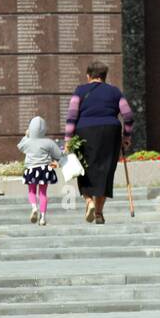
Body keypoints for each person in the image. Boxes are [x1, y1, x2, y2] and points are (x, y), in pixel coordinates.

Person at [65, 60, 135, 224]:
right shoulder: (114, 92)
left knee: (83, 169)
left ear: (88, 76)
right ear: (104, 77)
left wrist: (68, 140)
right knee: (105, 171)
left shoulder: (80, 91)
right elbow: (128, 115)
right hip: (110, 132)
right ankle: (98, 212)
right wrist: (126, 137)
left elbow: (72, 116)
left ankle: (89, 201)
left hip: (85, 131)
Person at [17, 116, 64, 226]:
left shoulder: (27, 142)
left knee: (31, 191)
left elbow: (20, 146)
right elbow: (58, 155)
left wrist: (26, 135)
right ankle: (42, 217)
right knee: (43, 193)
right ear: (44, 129)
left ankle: (34, 208)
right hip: (44, 170)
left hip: (31, 169)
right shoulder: (48, 142)